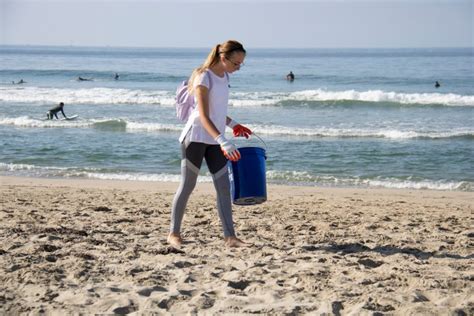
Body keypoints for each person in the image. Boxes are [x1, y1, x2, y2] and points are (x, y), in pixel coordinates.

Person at [168, 40, 252, 248]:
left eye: (241, 64)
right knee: (188, 186)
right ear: (223, 58)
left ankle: (230, 237)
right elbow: (203, 116)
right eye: (236, 63)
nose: (238, 68)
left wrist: (234, 124)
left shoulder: (223, 76)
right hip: (196, 138)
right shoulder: (203, 77)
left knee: (223, 188)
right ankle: (173, 233)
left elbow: (217, 112)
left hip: (215, 140)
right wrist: (223, 140)